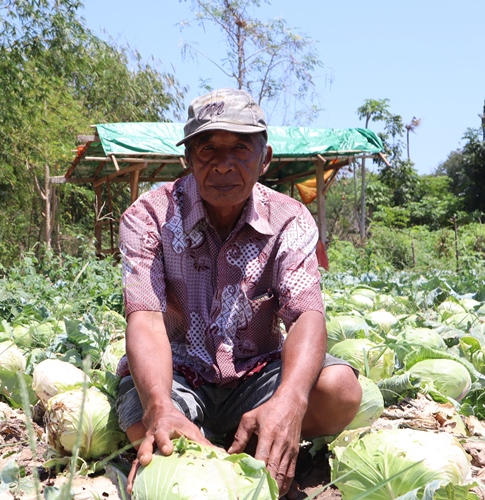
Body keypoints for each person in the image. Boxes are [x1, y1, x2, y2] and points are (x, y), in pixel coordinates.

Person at [115, 88, 362, 497]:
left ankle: (250, 428)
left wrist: (290, 402)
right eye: (208, 148)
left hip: (256, 373)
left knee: (340, 391)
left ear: (264, 159)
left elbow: (306, 317)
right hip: (177, 375)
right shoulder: (150, 216)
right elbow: (145, 316)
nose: (224, 164)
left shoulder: (288, 219)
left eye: (241, 148)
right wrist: (159, 404)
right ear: (188, 159)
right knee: (148, 425)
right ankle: (211, 435)